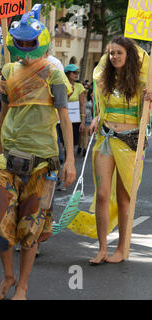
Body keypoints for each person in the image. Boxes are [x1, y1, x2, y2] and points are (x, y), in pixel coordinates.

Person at [0, 5, 76, 300]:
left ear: (41, 41)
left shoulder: (55, 75)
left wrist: (70, 160)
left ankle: (22, 286)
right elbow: (5, 110)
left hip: (42, 163)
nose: (25, 50)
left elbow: (64, 117)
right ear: (13, 43)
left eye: (30, 43)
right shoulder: (8, 72)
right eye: (19, 43)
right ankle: (8, 277)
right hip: (8, 159)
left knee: (30, 230)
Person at [72, 36, 152, 265]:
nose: (114, 56)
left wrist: (151, 99)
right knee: (103, 195)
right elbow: (103, 108)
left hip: (129, 143)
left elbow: (147, 114)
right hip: (105, 139)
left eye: (119, 53)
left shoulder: (141, 81)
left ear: (129, 55)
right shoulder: (104, 79)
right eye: (111, 53)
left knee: (125, 198)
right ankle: (102, 248)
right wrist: (97, 117)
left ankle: (121, 248)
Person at [63, 64, 87, 156]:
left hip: (75, 119)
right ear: (68, 74)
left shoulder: (79, 86)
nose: (77, 74)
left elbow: (82, 104)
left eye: (78, 72)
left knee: (71, 144)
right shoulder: (62, 85)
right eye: (74, 72)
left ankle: (69, 162)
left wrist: (83, 121)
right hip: (62, 118)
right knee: (61, 143)